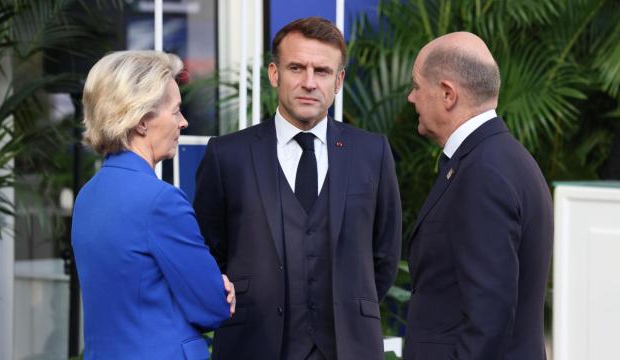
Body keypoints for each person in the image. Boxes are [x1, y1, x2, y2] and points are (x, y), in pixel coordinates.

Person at [194, 16, 402, 360]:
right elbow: (209, 252)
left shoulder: (372, 152)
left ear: (338, 82)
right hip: (253, 345)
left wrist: (348, 309)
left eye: (321, 71)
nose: (309, 82)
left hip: (348, 348)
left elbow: (385, 253)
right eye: (296, 68)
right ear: (275, 74)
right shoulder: (227, 154)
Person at [71, 50, 235, 360]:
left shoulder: (87, 196)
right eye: (175, 111)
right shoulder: (162, 201)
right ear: (143, 121)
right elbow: (212, 307)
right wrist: (220, 287)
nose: (183, 122)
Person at [403, 32, 553, 360]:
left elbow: (489, 320)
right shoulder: (502, 158)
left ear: (447, 94)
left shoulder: (483, 172)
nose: (411, 98)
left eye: (416, 86)